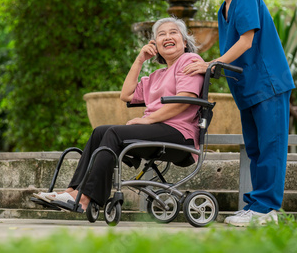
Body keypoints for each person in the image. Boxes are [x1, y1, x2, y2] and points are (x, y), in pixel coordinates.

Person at [33, 17, 204, 211]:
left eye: (173, 32)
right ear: (155, 45)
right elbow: (126, 95)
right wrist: (139, 60)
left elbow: (185, 100)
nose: (167, 37)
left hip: (180, 134)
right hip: (158, 128)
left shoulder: (189, 61)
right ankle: (73, 191)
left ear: (184, 41)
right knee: (100, 132)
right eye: (161, 34)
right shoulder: (158, 75)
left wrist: (148, 120)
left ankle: (87, 198)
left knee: (114, 133)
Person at [183, 0, 295, 226]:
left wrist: (211, 63)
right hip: (248, 89)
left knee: (270, 147)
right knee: (255, 149)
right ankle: (257, 208)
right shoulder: (225, 9)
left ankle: (267, 210)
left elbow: (246, 42)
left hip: (268, 84)